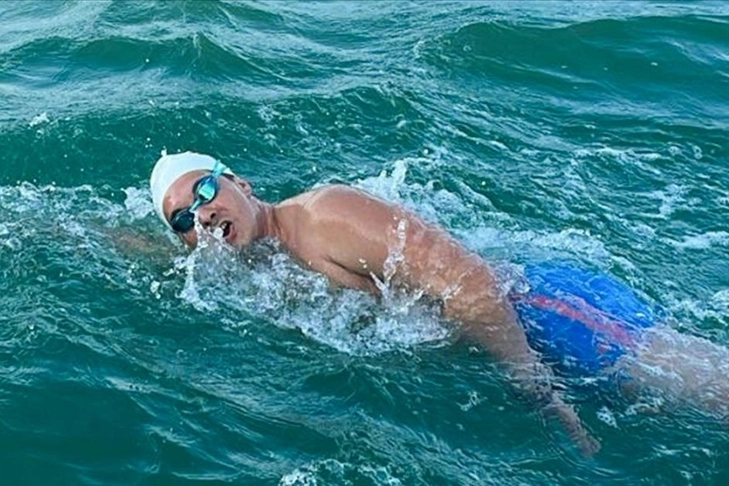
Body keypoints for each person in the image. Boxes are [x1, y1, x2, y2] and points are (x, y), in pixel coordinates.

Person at [148, 152, 728, 454]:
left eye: (206, 190)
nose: (202, 214)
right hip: (510, 332)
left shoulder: (324, 216)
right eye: (183, 220)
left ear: (241, 183)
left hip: (543, 312)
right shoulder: (258, 260)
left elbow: (471, 285)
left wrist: (535, 388)